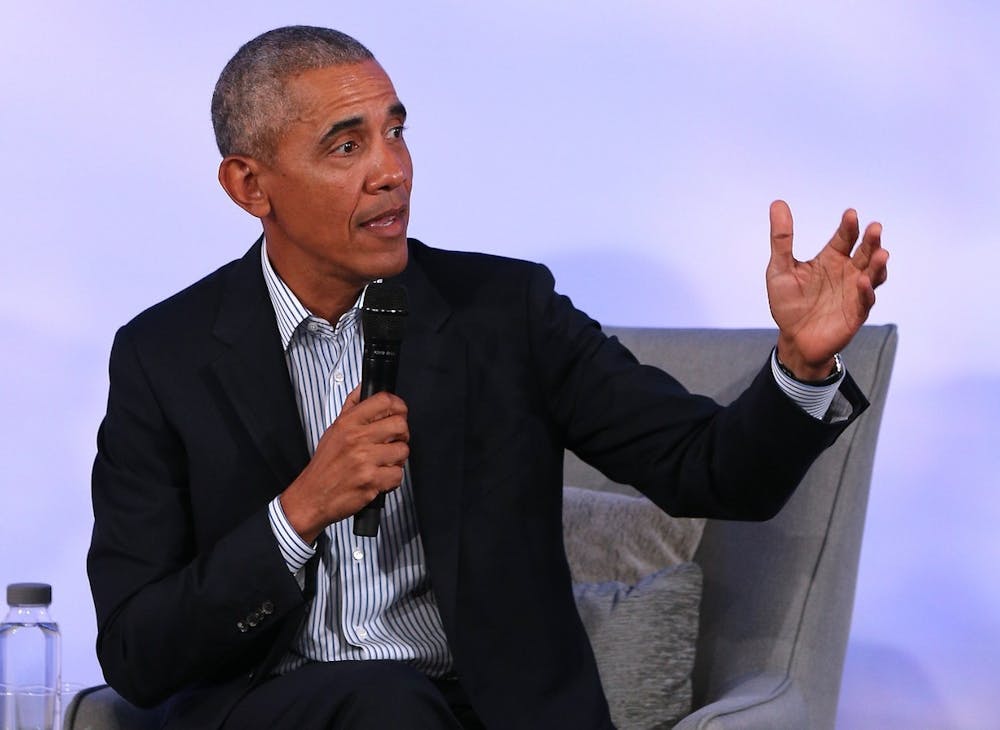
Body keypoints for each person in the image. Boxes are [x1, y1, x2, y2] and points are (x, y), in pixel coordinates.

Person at [87, 25, 888, 730]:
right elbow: (136, 652)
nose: (391, 170)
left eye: (395, 133)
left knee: (402, 705)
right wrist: (300, 513)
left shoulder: (504, 314)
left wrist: (801, 364)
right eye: (346, 145)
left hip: (482, 709)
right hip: (275, 708)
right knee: (384, 702)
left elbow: (710, 469)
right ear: (249, 185)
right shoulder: (166, 356)